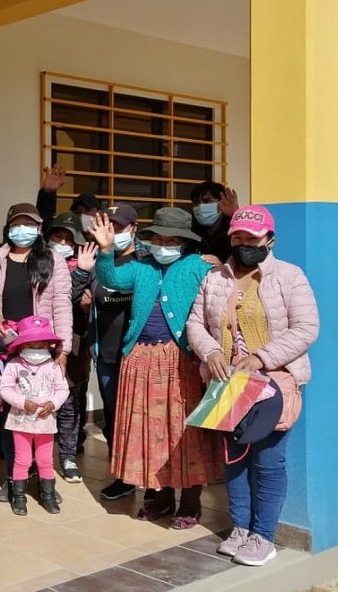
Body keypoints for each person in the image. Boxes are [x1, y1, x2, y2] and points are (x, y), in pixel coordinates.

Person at [187, 205, 320, 566]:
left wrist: (262, 357)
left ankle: (264, 535)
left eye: (253, 238)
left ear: (269, 240)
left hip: (273, 383)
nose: (245, 244)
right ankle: (241, 528)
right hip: (228, 384)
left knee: (269, 461)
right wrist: (211, 351)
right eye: (239, 237)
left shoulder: (289, 277)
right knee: (234, 459)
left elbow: (306, 327)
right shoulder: (215, 278)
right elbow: (195, 324)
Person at [91, 207, 223, 528]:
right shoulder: (141, 266)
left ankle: (190, 504)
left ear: (185, 242)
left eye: (172, 239)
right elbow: (111, 278)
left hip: (182, 361)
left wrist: (222, 264)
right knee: (148, 432)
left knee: (184, 432)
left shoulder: (197, 266)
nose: (164, 244)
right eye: (159, 238)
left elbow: (222, 294)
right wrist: (106, 250)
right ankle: (160, 498)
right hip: (140, 359)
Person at [0, 203, 72, 503]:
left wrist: (64, 349)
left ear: (39, 228)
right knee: (12, 413)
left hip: (43, 351)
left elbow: (62, 306)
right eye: (16, 224)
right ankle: (13, 476)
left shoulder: (53, 261)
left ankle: (42, 476)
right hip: (7, 348)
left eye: (29, 224)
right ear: (7, 228)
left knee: (43, 413)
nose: (23, 230)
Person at [73, 204, 140, 500]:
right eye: (109, 227)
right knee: (114, 418)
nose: (113, 234)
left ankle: (151, 482)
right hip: (108, 356)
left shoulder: (146, 262)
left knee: (142, 418)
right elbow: (79, 293)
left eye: (120, 228)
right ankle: (123, 476)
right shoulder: (101, 260)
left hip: (139, 355)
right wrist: (84, 300)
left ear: (134, 229)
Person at [0, 316, 70, 516]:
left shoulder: (53, 366)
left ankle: (48, 495)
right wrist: (22, 402)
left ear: (49, 345)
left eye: (41, 346)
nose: (37, 350)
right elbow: (5, 389)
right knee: (22, 459)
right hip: (20, 422)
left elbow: (63, 390)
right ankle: (19, 497)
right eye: (32, 345)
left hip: (45, 422)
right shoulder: (14, 365)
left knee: (45, 459)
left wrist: (52, 404)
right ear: (21, 346)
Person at [45, 212, 91, 482]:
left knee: (69, 402)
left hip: (74, 343)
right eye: (57, 236)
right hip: (39, 340)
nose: (62, 242)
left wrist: (85, 277)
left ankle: (68, 456)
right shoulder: (38, 261)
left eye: (68, 239)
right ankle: (32, 461)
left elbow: (84, 297)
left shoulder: (87, 264)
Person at [190, 181, 240, 264]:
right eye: (196, 203)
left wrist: (235, 215)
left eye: (207, 201)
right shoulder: (191, 234)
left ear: (221, 202)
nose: (200, 206)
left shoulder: (233, 232)